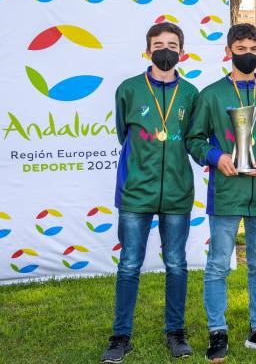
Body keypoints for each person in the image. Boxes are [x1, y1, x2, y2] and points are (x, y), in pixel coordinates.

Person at [185, 23, 256, 362]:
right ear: (229, 52)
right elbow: (195, 140)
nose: (248, 55)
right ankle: (218, 332)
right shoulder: (211, 94)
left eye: (253, 48)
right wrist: (217, 158)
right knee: (218, 264)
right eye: (241, 49)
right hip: (227, 191)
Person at [101, 22, 198, 363]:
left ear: (181, 52)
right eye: (158, 44)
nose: (165, 50)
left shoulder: (190, 94)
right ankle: (120, 336)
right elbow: (121, 134)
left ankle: (176, 332)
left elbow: (193, 138)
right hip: (135, 193)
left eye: (172, 44)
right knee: (129, 265)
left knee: (176, 264)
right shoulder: (128, 89)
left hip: (176, 193)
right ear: (147, 50)